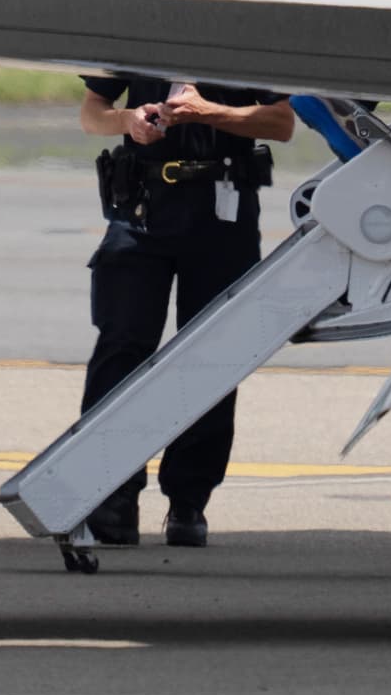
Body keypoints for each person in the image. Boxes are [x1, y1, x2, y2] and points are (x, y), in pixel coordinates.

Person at [78, 75, 294, 547]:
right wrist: (128, 121)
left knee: (212, 354)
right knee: (122, 344)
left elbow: (282, 122)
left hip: (223, 213)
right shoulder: (141, 26)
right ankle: (110, 491)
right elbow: (92, 110)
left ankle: (188, 499)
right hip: (141, 210)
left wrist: (209, 112)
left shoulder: (245, 30)